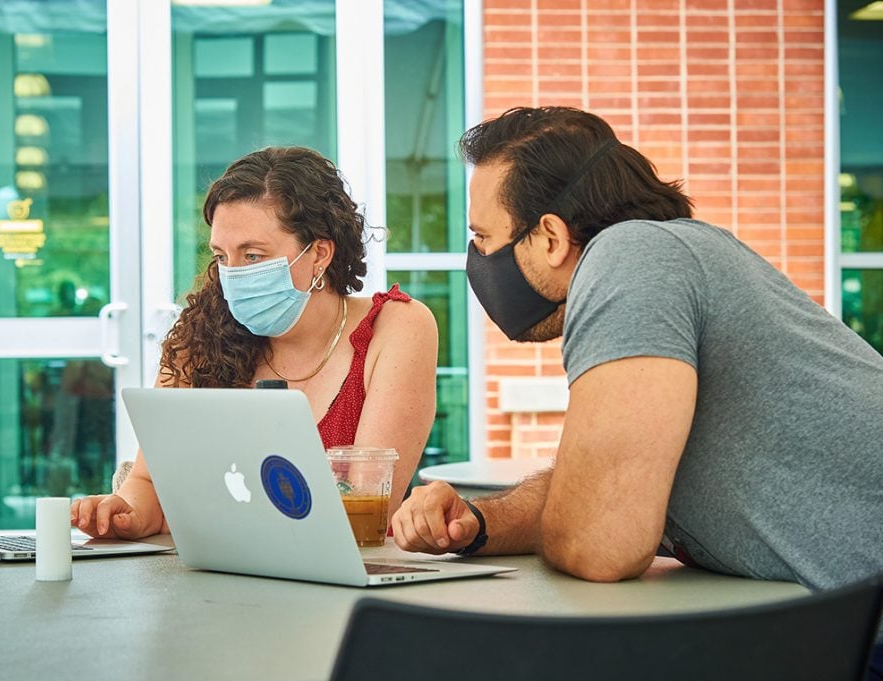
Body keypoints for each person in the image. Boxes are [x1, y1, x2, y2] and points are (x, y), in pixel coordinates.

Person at [392, 106, 883, 668]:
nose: (478, 259)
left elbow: (600, 540)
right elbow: (604, 486)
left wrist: (585, 507)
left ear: (551, 235)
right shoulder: (675, 253)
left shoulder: (631, 257)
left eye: (484, 237)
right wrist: (478, 523)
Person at [71, 146, 437, 539]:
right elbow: (148, 485)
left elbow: (362, 509)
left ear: (320, 254)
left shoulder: (396, 327)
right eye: (222, 257)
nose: (233, 276)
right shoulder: (200, 339)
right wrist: (122, 512)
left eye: (253, 256)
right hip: (211, 584)